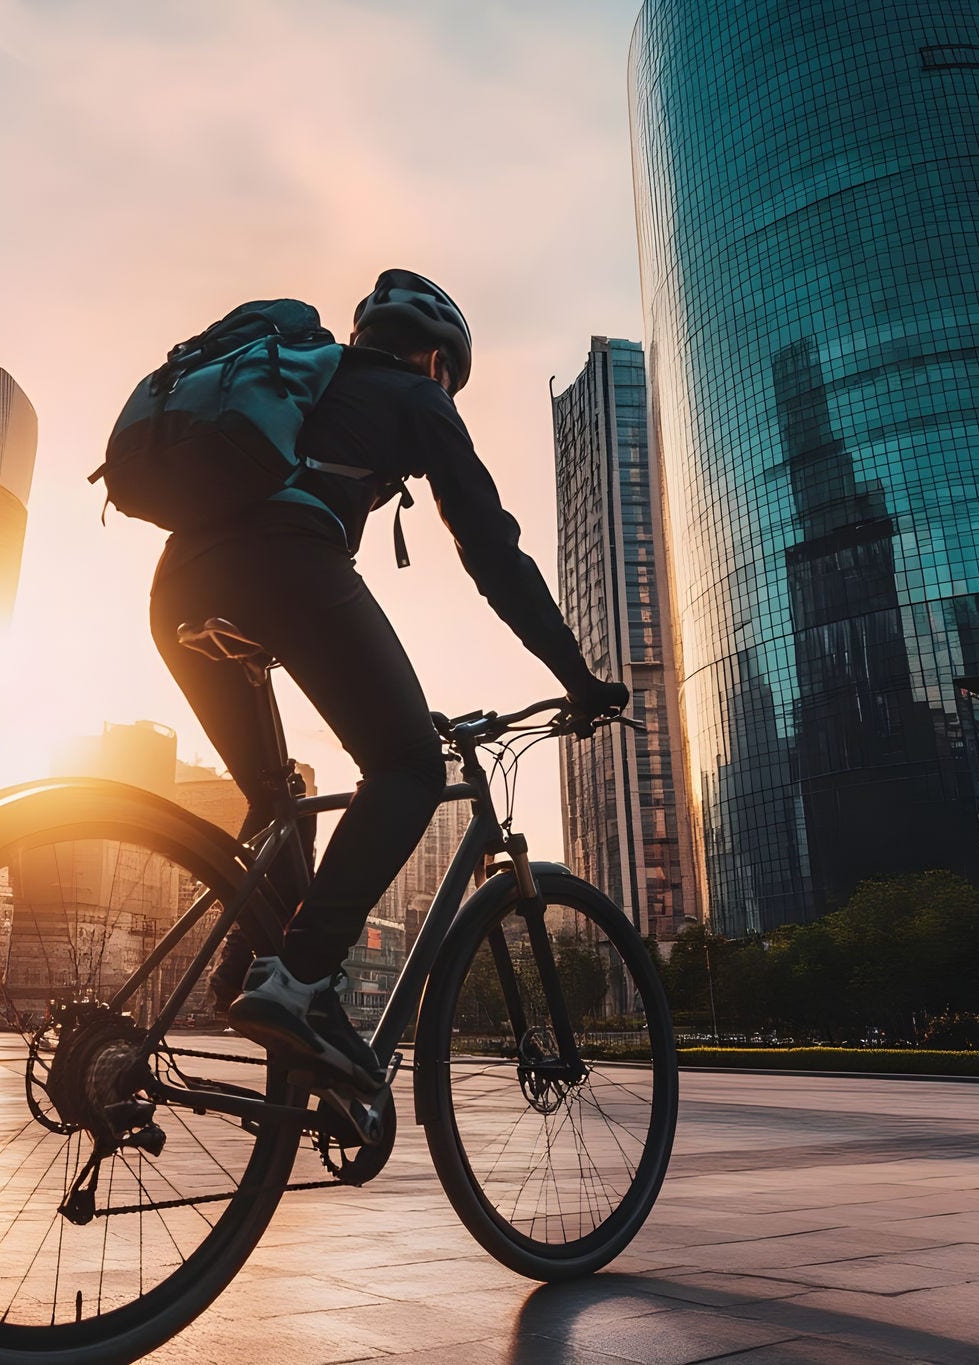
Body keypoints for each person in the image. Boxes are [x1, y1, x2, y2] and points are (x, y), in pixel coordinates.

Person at [148, 269, 629, 1092]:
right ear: (436, 359)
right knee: (408, 765)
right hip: (287, 560)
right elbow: (492, 551)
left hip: (178, 587)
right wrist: (577, 676)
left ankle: (254, 979)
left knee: (280, 799)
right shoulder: (414, 395)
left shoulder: (308, 381)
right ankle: (295, 980)